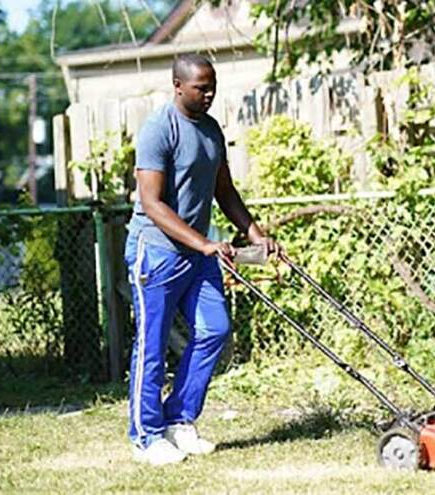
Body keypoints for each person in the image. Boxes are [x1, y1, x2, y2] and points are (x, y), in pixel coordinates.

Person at [124, 53, 280, 465]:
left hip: (198, 253)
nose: (209, 94)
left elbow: (224, 192)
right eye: (201, 88)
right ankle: (146, 436)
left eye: (212, 87)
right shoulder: (159, 129)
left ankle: (180, 421)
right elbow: (152, 204)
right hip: (156, 253)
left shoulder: (210, 129)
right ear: (178, 86)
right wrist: (206, 243)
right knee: (152, 346)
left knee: (214, 330)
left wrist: (257, 236)